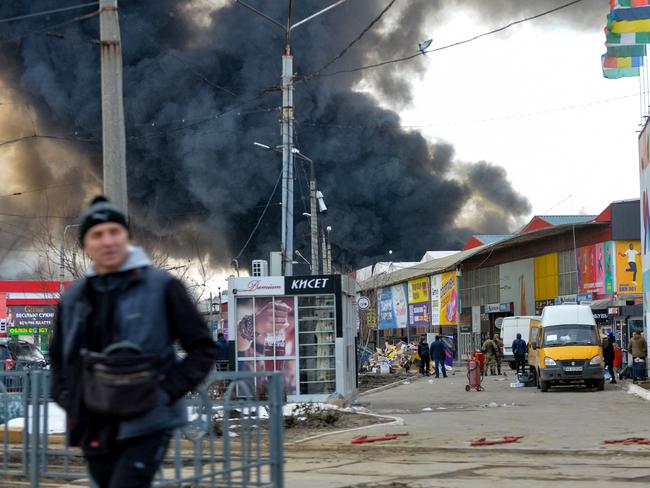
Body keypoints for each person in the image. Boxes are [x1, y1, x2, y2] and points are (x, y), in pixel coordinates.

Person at [50, 196, 219, 488]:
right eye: (97, 235)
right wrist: (69, 400)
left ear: (127, 237)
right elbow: (59, 359)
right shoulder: (74, 298)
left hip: (148, 423)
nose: (107, 241)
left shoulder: (162, 286)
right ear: (86, 244)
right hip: (96, 425)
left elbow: (202, 349)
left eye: (114, 232)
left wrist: (165, 393)